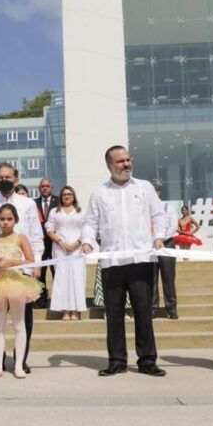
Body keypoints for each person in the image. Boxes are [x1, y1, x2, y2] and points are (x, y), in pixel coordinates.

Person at [81, 145, 167, 377]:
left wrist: (159, 238)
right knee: (114, 314)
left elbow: (158, 215)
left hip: (141, 259)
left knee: (143, 312)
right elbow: (90, 222)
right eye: (120, 161)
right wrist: (88, 242)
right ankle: (117, 360)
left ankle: (148, 360)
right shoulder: (99, 192)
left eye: (128, 160)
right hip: (113, 262)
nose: (126, 164)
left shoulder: (145, 187)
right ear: (109, 165)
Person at [0, 163, 43, 375]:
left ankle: (21, 361)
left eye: (8, 177)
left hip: (21, 270)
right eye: (0, 177)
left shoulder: (28, 203)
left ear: (15, 178)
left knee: (23, 320)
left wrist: (36, 264)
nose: (4, 180)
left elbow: (36, 236)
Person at [46, 185, 86, 320]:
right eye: (64, 194)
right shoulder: (54, 212)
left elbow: (86, 229)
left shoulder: (81, 211)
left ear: (74, 196)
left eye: (69, 194)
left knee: (77, 277)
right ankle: (65, 310)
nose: (67, 196)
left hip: (77, 249)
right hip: (60, 249)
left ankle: (75, 310)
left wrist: (77, 243)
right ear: (61, 197)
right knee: (62, 278)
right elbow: (49, 229)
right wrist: (61, 242)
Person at [151, 182, 179, 319]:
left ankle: (171, 308)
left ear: (159, 192)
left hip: (166, 244)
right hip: (150, 247)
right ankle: (153, 308)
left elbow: (173, 225)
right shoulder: (145, 209)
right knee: (151, 279)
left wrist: (160, 239)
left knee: (168, 278)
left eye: (155, 191)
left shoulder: (167, 207)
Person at [35, 177, 59, 309]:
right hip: (40, 244)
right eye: (42, 186)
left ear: (51, 188)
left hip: (55, 243)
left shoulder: (59, 201)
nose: (45, 188)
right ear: (39, 189)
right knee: (40, 274)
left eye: (47, 186)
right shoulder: (34, 203)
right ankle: (41, 301)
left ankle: (58, 300)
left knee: (57, 273)